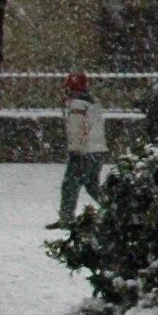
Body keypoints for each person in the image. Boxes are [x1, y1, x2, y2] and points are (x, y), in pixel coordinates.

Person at [55, 69, 108, 222]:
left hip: (83, 152)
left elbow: (76, 128)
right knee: (93, 186)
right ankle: (114, 207)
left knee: (70, 184)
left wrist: (75, 150)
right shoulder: (93, 102)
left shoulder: (76, 104)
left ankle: (66, 218)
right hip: (97, 150)